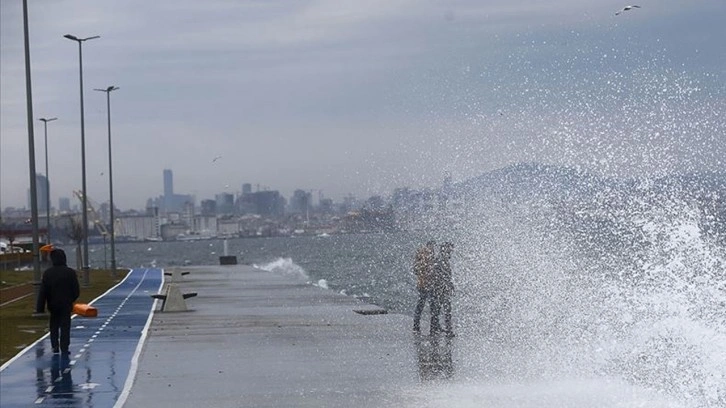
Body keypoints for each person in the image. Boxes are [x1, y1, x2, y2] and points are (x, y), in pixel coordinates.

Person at [36, 249, 80, 354]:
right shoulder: (70, 272)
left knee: (54, 325)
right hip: (66, 304)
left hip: (53, 304)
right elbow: (76, 290)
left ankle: (54, 346)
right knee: (65, 326)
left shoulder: (48, 273)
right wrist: (71, 299)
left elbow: (43, 292)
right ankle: (64, 347)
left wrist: (40, 308)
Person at [413, 240, 438, 333]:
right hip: (427, 284)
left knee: (422, 305)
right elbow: (419, 269)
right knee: (431, 306)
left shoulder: (422, 256)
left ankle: (417, 326)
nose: (433, 249)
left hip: (423, 284)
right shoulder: (426, 256)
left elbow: (415, 269)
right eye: (433, 247)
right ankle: (433, 327)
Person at [433, 242, 455, 337]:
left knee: (440, 309)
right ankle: (447, 329)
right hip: (441, 289)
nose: (451, 252)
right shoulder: (441, 260)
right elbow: (441, 275)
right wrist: (447, 285)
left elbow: (444, 275)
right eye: (449, 249)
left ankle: (437, 327)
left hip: (442, 288)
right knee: (445, 310)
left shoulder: (441, 259)